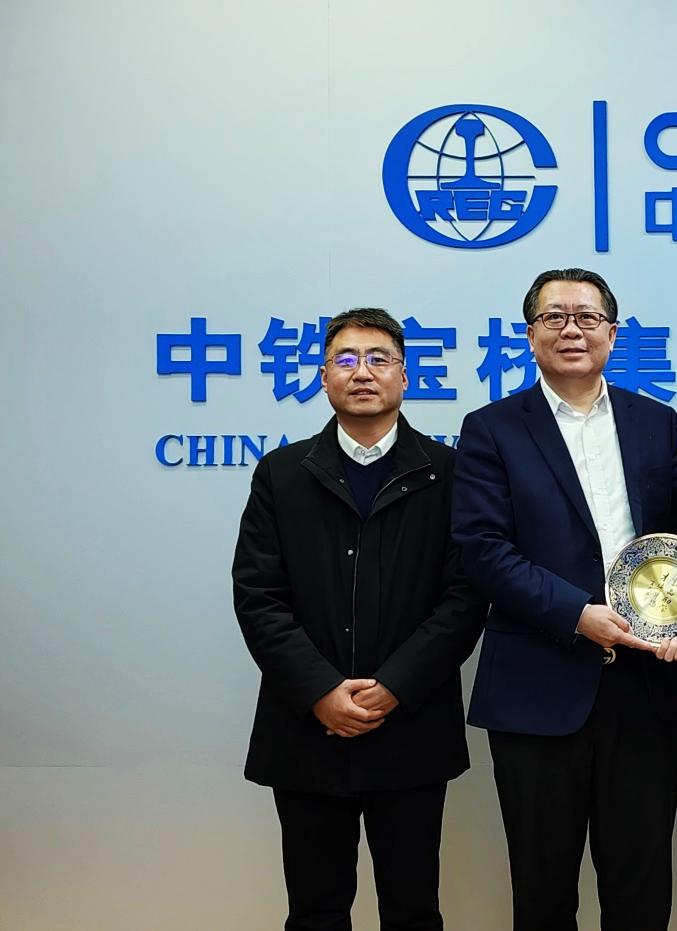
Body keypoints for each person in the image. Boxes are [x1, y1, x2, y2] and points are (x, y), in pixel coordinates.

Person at [452, 268, 677, 931]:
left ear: (612, 334)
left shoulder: (655, 422)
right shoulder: (491, 429)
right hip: (537, 687)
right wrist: (576, 615)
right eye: (553, 317)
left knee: (641, 887)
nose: (571, 330)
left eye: (587, 318)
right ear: (530, 335)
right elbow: (482, 549)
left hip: (642, 688)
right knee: (542, 891)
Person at [232, 307, 486, 931]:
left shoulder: (448, 473)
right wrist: (320, 690)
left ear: (405, 376)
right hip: (307, 730)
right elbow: (258, 596)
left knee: (413, 910)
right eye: (345, 360)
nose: (362, 372)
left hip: (411, 727)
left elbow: (464, 598)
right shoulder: (282, 474)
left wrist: (394, 686)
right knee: (315, 910)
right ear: (324, 377)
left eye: (379, 359)